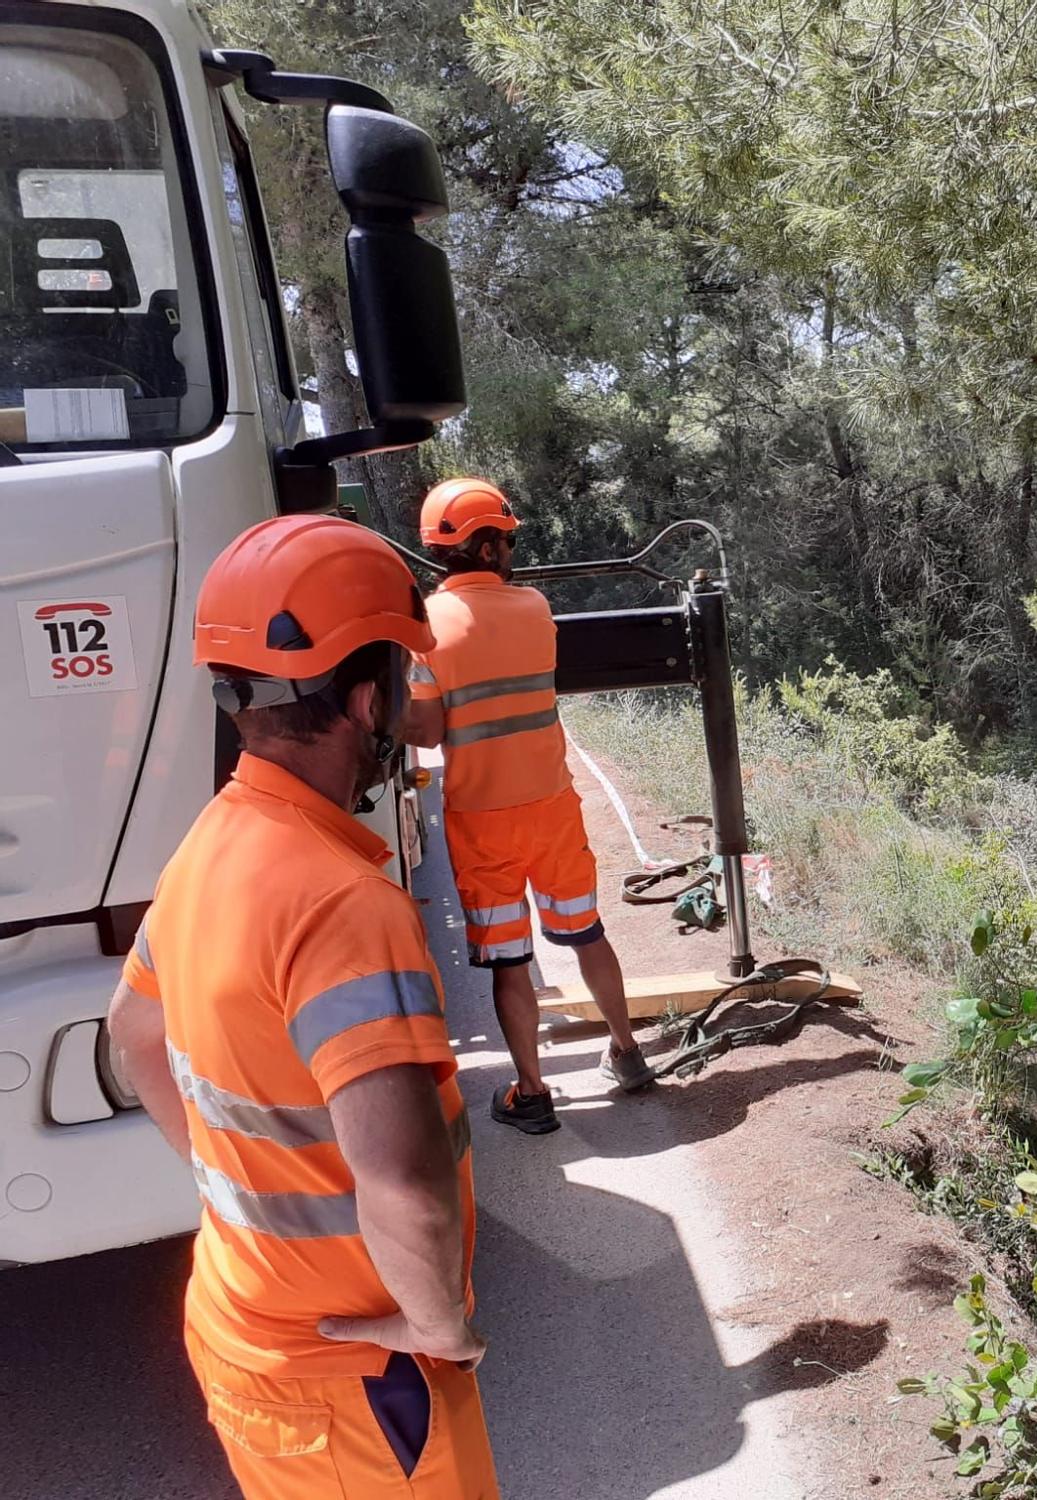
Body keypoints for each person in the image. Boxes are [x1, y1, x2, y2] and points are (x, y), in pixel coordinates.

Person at [105, 515, 498, 1498]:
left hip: (244, 1335)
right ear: (367, 700)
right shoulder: (343, 906)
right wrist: (438, 1329)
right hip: (359, 1386)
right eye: (399, 684)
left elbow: (132, 1036)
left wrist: (237, 1179)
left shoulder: (208, 848)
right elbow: (404, 1186)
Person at [401, 476, 654, 1134]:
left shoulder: (425, 630)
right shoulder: (537, 608)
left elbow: (426, 733)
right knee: (586, 931)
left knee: (509, 958)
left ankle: (532, 1093)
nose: (512, 549)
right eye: (507, 539)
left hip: (482, 824)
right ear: (487, 548)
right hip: (551, 808)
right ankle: (628, 1054)